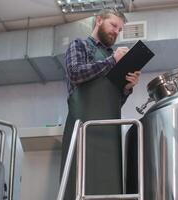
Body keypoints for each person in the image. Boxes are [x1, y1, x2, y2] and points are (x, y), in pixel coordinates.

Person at [60, 8, 141, 199]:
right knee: (78, 186)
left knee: (109, 189)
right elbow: (76, 73)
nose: (116, 31)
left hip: (109, 136)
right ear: (98, 20)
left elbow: (114, 102)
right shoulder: (79, 46)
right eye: (113, 25)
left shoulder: (115, 59)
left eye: (119, 29)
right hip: (83, 133)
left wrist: (128, 87)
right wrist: (112, 60)